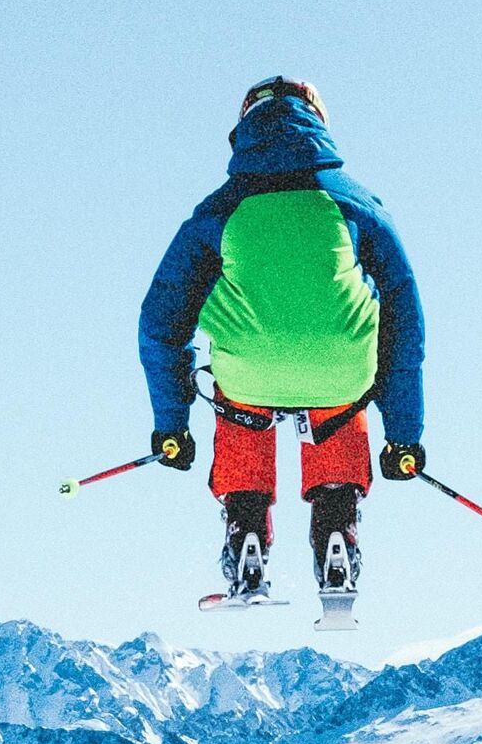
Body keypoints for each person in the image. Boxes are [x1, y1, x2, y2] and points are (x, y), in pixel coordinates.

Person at [139, 75, 426, 602]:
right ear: (320, 125)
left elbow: (160, 323)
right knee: (338, 379)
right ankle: (336, 530)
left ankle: (246, 532)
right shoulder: (357, 205)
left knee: (239, 381)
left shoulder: (216, 212)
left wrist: (171, 426)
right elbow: (404, 317)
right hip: (341, 373)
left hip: (248, 374)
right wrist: (403, 434)